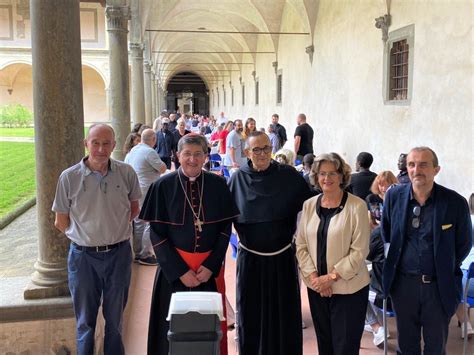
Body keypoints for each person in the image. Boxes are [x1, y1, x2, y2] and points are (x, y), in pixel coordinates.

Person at [140, 134, 239, 355]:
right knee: (171, 332)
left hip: (207, 272)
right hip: (173, 272)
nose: (192, 160)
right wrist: (179, 271)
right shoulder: (162, 186)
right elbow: (157, 233)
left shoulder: (218, 184)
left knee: (208, 331)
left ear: (205, 156)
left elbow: (225, 229)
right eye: (187, 154)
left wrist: (212, 266)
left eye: (197, 154)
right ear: (178, 155)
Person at [52, 124, 141, 355]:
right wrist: (87, 235)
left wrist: (111, 230)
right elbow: (60, 221)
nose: (101, 149)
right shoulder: (69, 177)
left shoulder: (126, 173)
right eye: (95, 143)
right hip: (83, 258)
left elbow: (133, 209)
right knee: (85, 322)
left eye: (106, 143)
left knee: (115, 321)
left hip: (118, 255)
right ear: (86, 143)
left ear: (113, 145)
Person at [382, 146, 472, 354]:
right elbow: (388, 234)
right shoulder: (393, 197)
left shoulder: (455, 202)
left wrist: (442, 264)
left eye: (423, 164)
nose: (417, 170)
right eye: (412, 164)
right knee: (406, 347)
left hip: (438, 287)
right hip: (403, 286)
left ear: (436, 169)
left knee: (435, 346)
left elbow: (464, 243)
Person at [229, 131, 312, 355]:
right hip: (250, 259)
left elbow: (312, 204)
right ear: (247, 152)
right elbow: (222, 217)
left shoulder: (288, 175)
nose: (263, 154)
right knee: (251, 311)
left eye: (266, 148)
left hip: (282, 258)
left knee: (283, 312)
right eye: (256, 149)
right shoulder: (237, 179)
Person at [295, 152, 370, 355]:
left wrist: (331, 277)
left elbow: (360, 250)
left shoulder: (357, 206)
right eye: (322, 174)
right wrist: (315, 278)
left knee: (345, 347)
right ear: (316, 177)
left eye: (332, 173)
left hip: (348, 290)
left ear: (342, 176)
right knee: (325, 345)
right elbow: (300, 245)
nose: (327, 178)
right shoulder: (309, 205)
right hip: (317, 288)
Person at [124, 128, 166, 265]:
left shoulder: (133, 151)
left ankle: (138, 252)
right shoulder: (149, 152)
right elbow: (162, 168)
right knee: (149, 221)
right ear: (154, 140)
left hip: (134, 190)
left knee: (138, 222)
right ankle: (144, 254)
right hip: (146, 191)